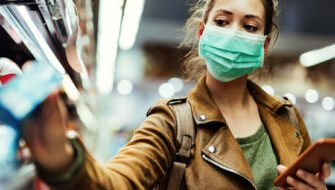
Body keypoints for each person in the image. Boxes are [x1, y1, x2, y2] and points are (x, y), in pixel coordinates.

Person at [23, 0, 331, 189]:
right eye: (222, 22)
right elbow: (117, 182)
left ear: (263, 46)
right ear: (202, 33)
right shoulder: (172, 123)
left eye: (250, 27)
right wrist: (63, 160)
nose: (235, 33)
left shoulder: (288, 118)